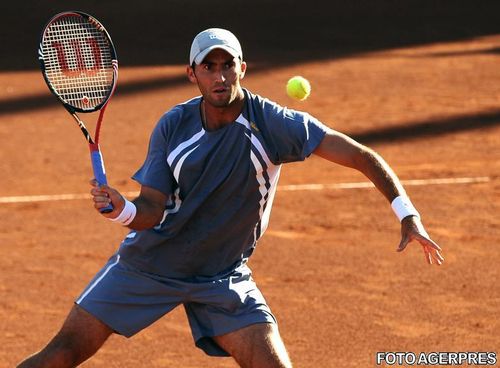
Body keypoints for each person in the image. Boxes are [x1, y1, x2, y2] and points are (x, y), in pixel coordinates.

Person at [18, 28, 444, 368]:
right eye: (209, 67)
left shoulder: (275, 124)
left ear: (242, 68)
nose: (219, 76)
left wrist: (406, 213)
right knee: (62, 354)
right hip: (149, 265)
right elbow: (149, 210)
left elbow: (360, 155)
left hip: (222, 277)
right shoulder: (173, 125)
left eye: (227, 65)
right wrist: (121, 209)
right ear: (192, 74)